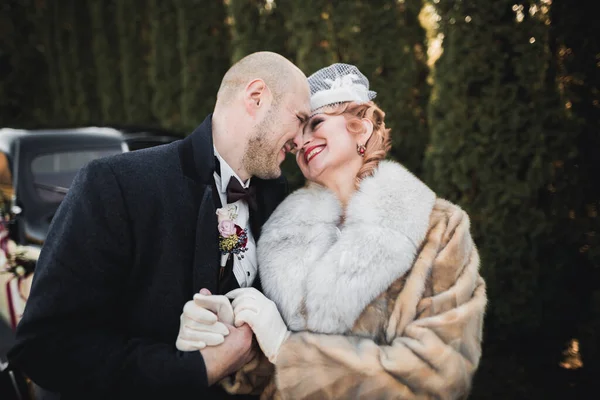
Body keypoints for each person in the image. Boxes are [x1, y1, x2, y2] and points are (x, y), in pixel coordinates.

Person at [8, 51, 311, 399]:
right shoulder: (116, 186)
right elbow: (46, 348)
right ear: (256, 97)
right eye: (299, 118)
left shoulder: (277, 198)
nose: (301, 139)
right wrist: (199, 368)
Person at [177, 63, 487, 399]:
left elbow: (440, 375)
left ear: (362, 127)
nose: (302, 141)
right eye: (296, 139)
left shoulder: (440, 228)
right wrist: (231, 338)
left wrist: (290, 350)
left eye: (315, 124)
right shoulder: (281, 235)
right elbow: (265, 379)